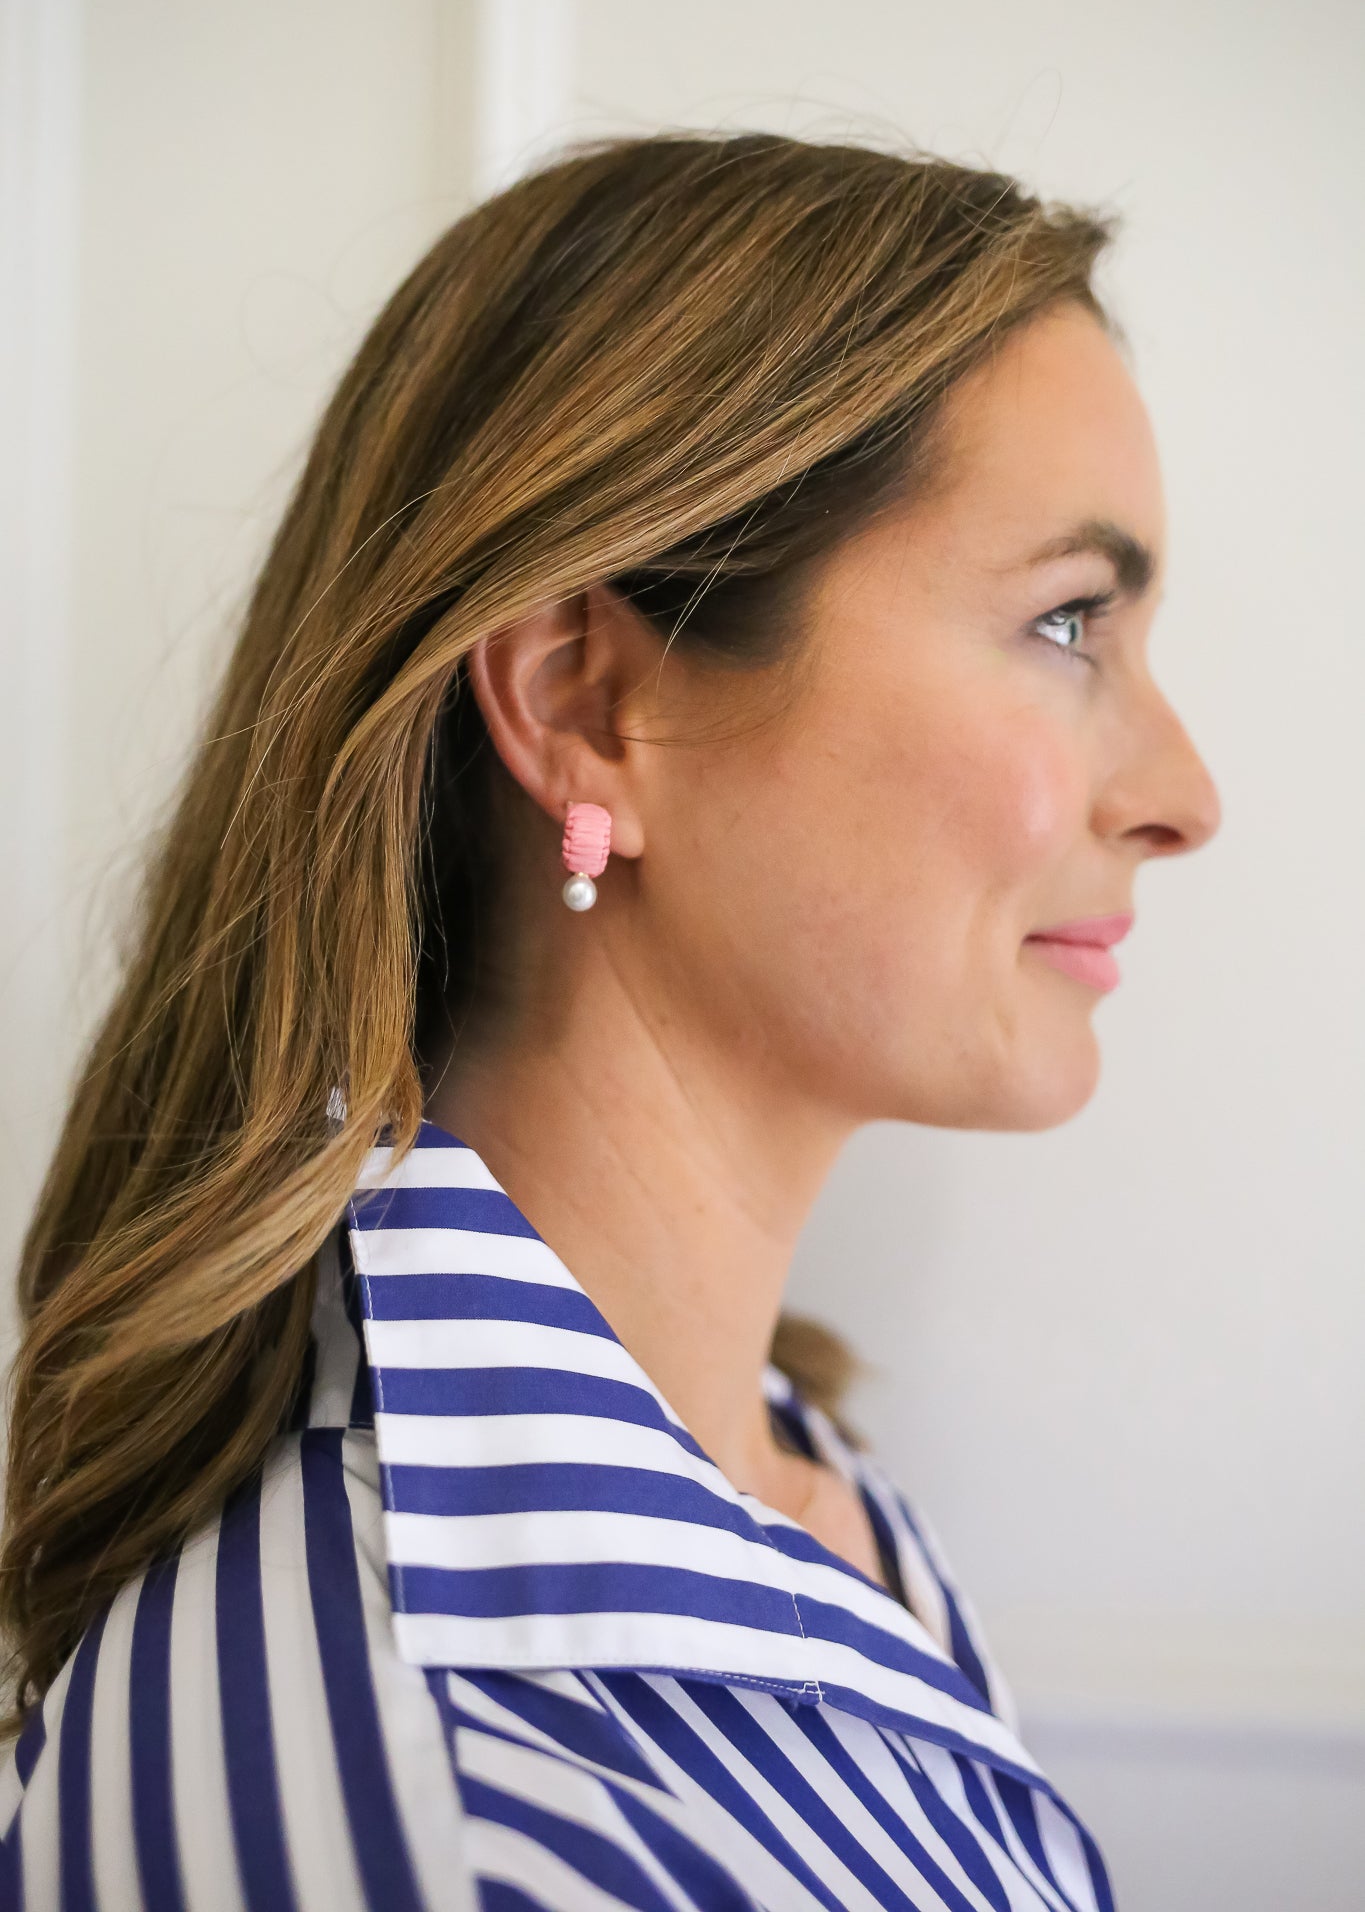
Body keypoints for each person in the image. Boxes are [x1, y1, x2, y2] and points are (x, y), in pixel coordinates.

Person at [0, 131, 1220, 1910]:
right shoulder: (423, 1823)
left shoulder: (790, 1470)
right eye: (1062, 623)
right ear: (583, 703)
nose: (1184, 794)